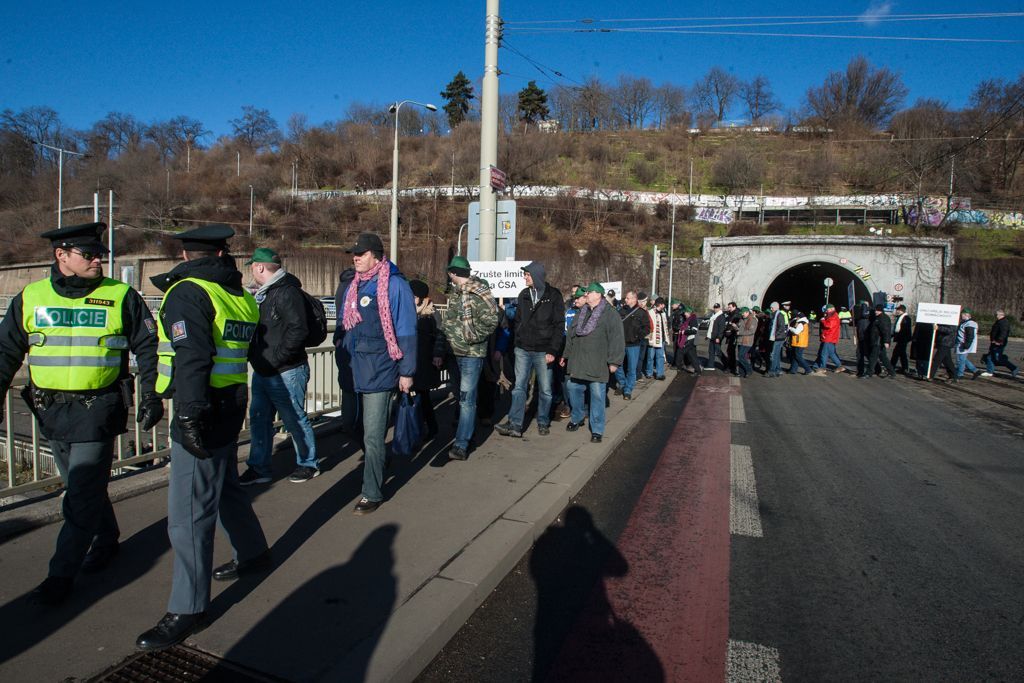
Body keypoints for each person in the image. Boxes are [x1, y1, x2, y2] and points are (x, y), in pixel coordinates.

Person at [0, 222, 162, 606]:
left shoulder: (121, 295)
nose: (97, 261)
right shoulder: (31, 297)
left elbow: (148, 347)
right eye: (88, 255)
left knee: (81, 493)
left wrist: (153, 395)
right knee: (81, 487)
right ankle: (106, 539)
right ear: (62, 256)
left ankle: (61, 574)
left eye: (99, 254)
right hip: (50, 410)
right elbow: (6, 351)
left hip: (99, 409)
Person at [137, 224, 268, 651]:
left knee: (189, 513)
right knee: (226, 486)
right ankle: (253, 553)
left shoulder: (188, 292)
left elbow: (192, 356)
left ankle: (188, 608)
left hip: (202, 410)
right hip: (231, 404)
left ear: (187, 256)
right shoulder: (239, 295)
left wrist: (188, 416)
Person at [332, 232, 416, 514]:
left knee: (373, 434)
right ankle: (377, 460)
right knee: (349, 424)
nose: (355, 257)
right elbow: (344, 328)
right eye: (354, 253)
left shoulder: (395, 286)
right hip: (353, 371)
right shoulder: (353, 286)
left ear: (376, 255)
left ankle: (372, 492)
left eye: (361, 253)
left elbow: (405, 330)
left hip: (380, 369)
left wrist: (407, 371)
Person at [240, 247, 320, 485]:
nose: (252, 272)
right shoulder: (266, 293)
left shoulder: (285, 292)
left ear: (259, 267)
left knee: (293, 417)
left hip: (286, 369)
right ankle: (259, 467)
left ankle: (308, 464)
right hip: (267, 369)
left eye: (253, 267)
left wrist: (277, 358)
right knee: (259, 418)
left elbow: (298, 329)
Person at [440, 256, 499, 461]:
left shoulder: (478, 293)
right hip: (455, 353)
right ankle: (468, 434)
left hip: (472, 354)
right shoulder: (457, 294)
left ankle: (461, 445)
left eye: (450, 273)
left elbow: (491, 320)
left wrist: (473, 336)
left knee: (467, 400)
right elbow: (449, 323)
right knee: (463, 397)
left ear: (453, 273)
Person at [496, 262, 563, 438]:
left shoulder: (554, 296)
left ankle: (542, 421)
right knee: (519, 387)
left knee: (546, 390)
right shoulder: (524, 294)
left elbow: (558, 326)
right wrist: (517, 342)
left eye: (527, 274)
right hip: (523, 349)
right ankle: (516, 424)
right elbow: (518, 321)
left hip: (544, 350)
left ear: (536, 275)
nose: (524, 277)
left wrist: (552, 350)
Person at [562, 283, 625, 444]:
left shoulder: (610, 314)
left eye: (588, 293)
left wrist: (615, 361)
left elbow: (617, 338)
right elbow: (571, 335)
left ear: (598, 295)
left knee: (597, 396)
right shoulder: (581, 312)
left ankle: (597, 429)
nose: (586, 295)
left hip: (598, 362)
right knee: (573, 388)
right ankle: (577, 417)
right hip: (578, 361)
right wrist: (566, 354)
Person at [409, 279, 444, 439]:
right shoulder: (406, 311)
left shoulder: (431, 312)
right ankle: (416, 427)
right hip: (409, 360)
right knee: (412, 395)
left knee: (423, 395)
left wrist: (437, 354)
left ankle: (429, 427)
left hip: (424, 360)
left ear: (421, 297)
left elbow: (440, 335)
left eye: (413, 295)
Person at [613, 291, 650, 400]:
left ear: (634, 299)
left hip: (634, 344)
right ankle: (622, 384)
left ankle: (628, 389)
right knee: (617, 365)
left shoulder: (641, 312)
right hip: (621, 343)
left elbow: (647, 328)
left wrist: (637, 336)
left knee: (631, 369)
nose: (625, 300)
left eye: (628, 298)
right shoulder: (621, 310)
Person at [981, 310, 1019, 378]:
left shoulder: (1004, 322)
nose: (996, 316)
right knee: (990, 357)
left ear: (1001, 315)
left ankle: (1013, 368)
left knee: (998, 359)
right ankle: (990, 371)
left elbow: (1003, 333)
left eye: (997, 314)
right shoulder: (999, 321)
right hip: (994, 342)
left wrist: (998, 341)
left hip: (999, 343)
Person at [865, 304, 896, 379]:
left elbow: (886, 331)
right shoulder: (878, 317)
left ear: (881, 310)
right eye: (875, 310)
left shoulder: (883, 318)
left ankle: (869, 373)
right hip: (876, 341)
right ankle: (892, 372)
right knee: (883, 358)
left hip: (878, 341)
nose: (876, 311)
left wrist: (886, 341)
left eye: (877, 310)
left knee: (873, 357)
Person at [814, 304, 847, 373]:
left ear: (832, 309)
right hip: (830, 337)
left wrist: (823, 320)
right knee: (831, 353)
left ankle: (823, 368)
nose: (826, 311)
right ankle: (839, 366)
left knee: (824, 353)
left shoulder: (833, 316)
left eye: (827, 310)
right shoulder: (832, 315)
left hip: (829, 337)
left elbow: (829, 325)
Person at [645, 297, 671, 380]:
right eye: (663, 304)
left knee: (660, 357)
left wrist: (666, 338)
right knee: (650, 357)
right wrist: (649, 338)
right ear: (661, 304)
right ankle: (649, 372)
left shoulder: (663, 313)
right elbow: (648, 326)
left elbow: (666, 326)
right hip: (652, 339)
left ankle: (660, 374)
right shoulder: (651, 312)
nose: (664, 306)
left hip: (661, 339)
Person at [955, 308, 981, 379]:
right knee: (963, 359)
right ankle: (975, 371)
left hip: (964, 344)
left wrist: (966, 345)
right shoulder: (966, 322)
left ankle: (960, 374)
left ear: (966, 315)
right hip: (962, 343)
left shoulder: (970, 324)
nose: (961, 316)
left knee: (960, 359)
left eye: (962, 314)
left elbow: (970, 336)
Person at [787, 310, 814, 375]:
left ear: (799, 317)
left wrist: (790, 328)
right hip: (799, 342)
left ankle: (808, 369)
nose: (796, 318)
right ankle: (793, 370)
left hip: (799, 342)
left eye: (797, 317)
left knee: (798, 357)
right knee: (795, 356)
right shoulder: (803, 322)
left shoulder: (801, 323)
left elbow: (796, 332)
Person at [890, 304, 913, 375]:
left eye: (898, 310)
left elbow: (905, 329)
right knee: (900, 353)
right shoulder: (900, 317)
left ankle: (892, 366)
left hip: (903, 338)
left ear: (902, 310)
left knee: (898, 353)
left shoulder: (906, 318)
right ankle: (903, 368)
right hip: (900, 338)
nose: (897, 311)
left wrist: (901, 337)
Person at [767, 301, 787, 378]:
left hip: (778, 338)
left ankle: (772, 371)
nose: (771, 309)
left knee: (774, 355)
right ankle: (778, 370)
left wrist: (775, 335)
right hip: (777, 337)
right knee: (777, 355)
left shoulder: (779, 315)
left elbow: (781, 327)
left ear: (775, 307)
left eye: (772, 307)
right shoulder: (775, 315)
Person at [735, 307, 757, 378]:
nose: (742, 314)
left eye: (743, 313)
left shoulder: (753, 320)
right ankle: (742, 372)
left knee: (741, 356)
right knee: (742, 356)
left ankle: (749, 370)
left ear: (747, 312)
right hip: (740, 340)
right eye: (741, 313)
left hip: (747, 341)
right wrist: (735, 327)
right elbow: (740, 328)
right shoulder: (741, 319)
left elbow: (751, 331)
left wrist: (740, 332)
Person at [854, 301, 874, 377]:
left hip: (865, 336)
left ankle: (875, 368)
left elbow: (864, 315)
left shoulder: (868, 312)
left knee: (866, 353)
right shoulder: (861, 315)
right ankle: (860, 371)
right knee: (861, 354)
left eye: (863, 306)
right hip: (861, 336)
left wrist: (865, 306)